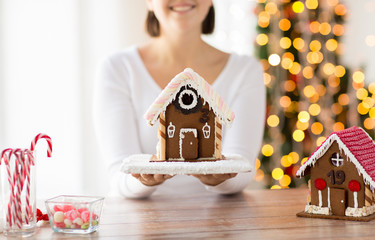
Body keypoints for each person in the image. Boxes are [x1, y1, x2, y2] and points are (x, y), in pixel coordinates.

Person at [93, 0, 265, 198]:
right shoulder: (117, 69)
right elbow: (119, 173)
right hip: (140, 222)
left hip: (221, 222)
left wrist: (222, 177)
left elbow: (242, 166)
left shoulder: (245, 71)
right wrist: (143, 178)